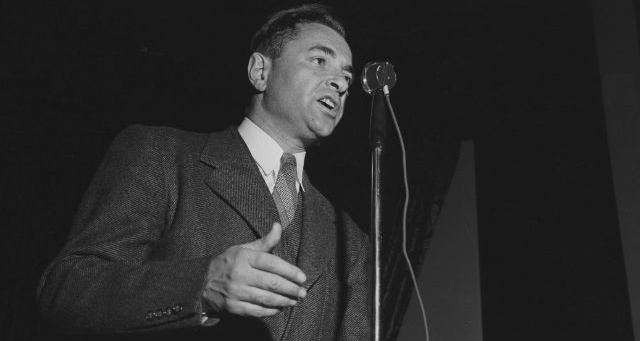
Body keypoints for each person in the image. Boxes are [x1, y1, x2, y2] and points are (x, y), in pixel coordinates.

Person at [37, 3, 371, 340]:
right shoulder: (160, 154)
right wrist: (201, 287)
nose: (340, 83)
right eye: (319, 60)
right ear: (260, 72)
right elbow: (68, 290)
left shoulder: (351, 244)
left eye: (346, 76)